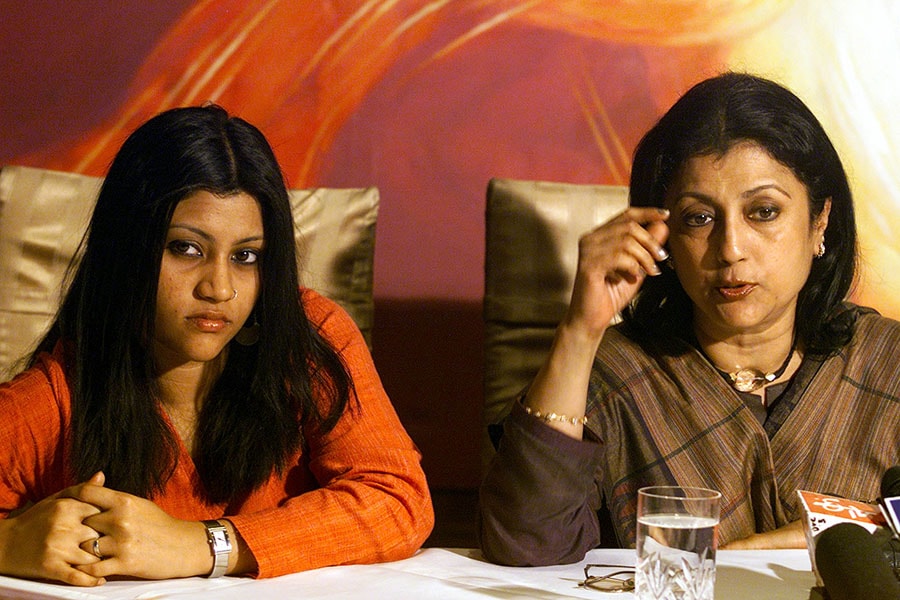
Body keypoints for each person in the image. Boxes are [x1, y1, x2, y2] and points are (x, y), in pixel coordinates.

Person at [0, 105, 433, 586]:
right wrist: (9, 544)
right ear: (127, 248)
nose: (220, 288)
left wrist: (202, 544)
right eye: (187, 249)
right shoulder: (51, 400)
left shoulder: (307, 337)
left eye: (246, 256)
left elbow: (397, 498)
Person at [479, 72, 900, 566]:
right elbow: (527, 547)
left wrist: (855, 529)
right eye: (699, 218)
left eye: (763, 211)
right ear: (664, 237)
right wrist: (579, 329)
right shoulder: (615, 373)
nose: (730, 249)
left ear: (819, 221)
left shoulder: (885, 361)